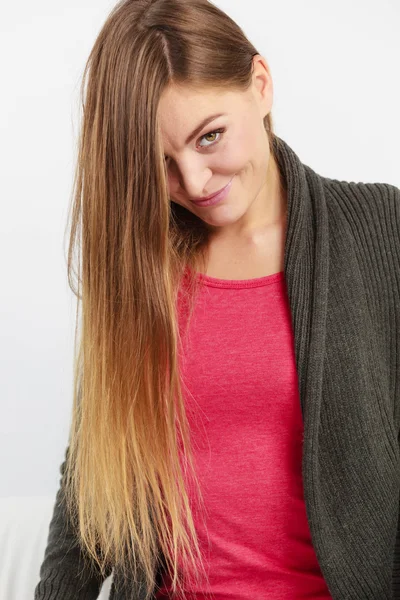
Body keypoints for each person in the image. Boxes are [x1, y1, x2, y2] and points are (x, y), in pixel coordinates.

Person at [34, 0, 400, 599]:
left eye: (210, 137)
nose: (196, 184)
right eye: (163, 165)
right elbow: (89, 488)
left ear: (260, 85)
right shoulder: (142, 268)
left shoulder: (379, 230)